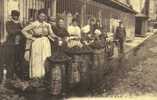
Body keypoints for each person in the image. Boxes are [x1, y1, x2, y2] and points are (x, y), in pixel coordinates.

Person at [22, 9, 57, 79]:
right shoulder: (34, 24)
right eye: (41, 16)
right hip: (37, 42)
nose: (42, 17)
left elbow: (51, 33)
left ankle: (44, 75)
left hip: (46, 42)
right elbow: (23, 30)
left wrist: (57, 37)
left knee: (45, 57)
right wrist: (31, 37)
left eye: (44, 16)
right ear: (38, 16)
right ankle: (36, 76)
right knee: (37, 59)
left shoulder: (47, 25)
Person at [6, 10, 26, 79]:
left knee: (20, 60)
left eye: (17, 16)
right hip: (11, 44)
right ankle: (10, 76)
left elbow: (24, 32)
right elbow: (10, 32)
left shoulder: (20, 23)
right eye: (14, 15)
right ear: (12, 16)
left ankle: (20, 75)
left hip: (19, 45)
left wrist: (20, 29)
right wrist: (19, 30)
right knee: (11, 60)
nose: (15, 17)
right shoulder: (8, 23)